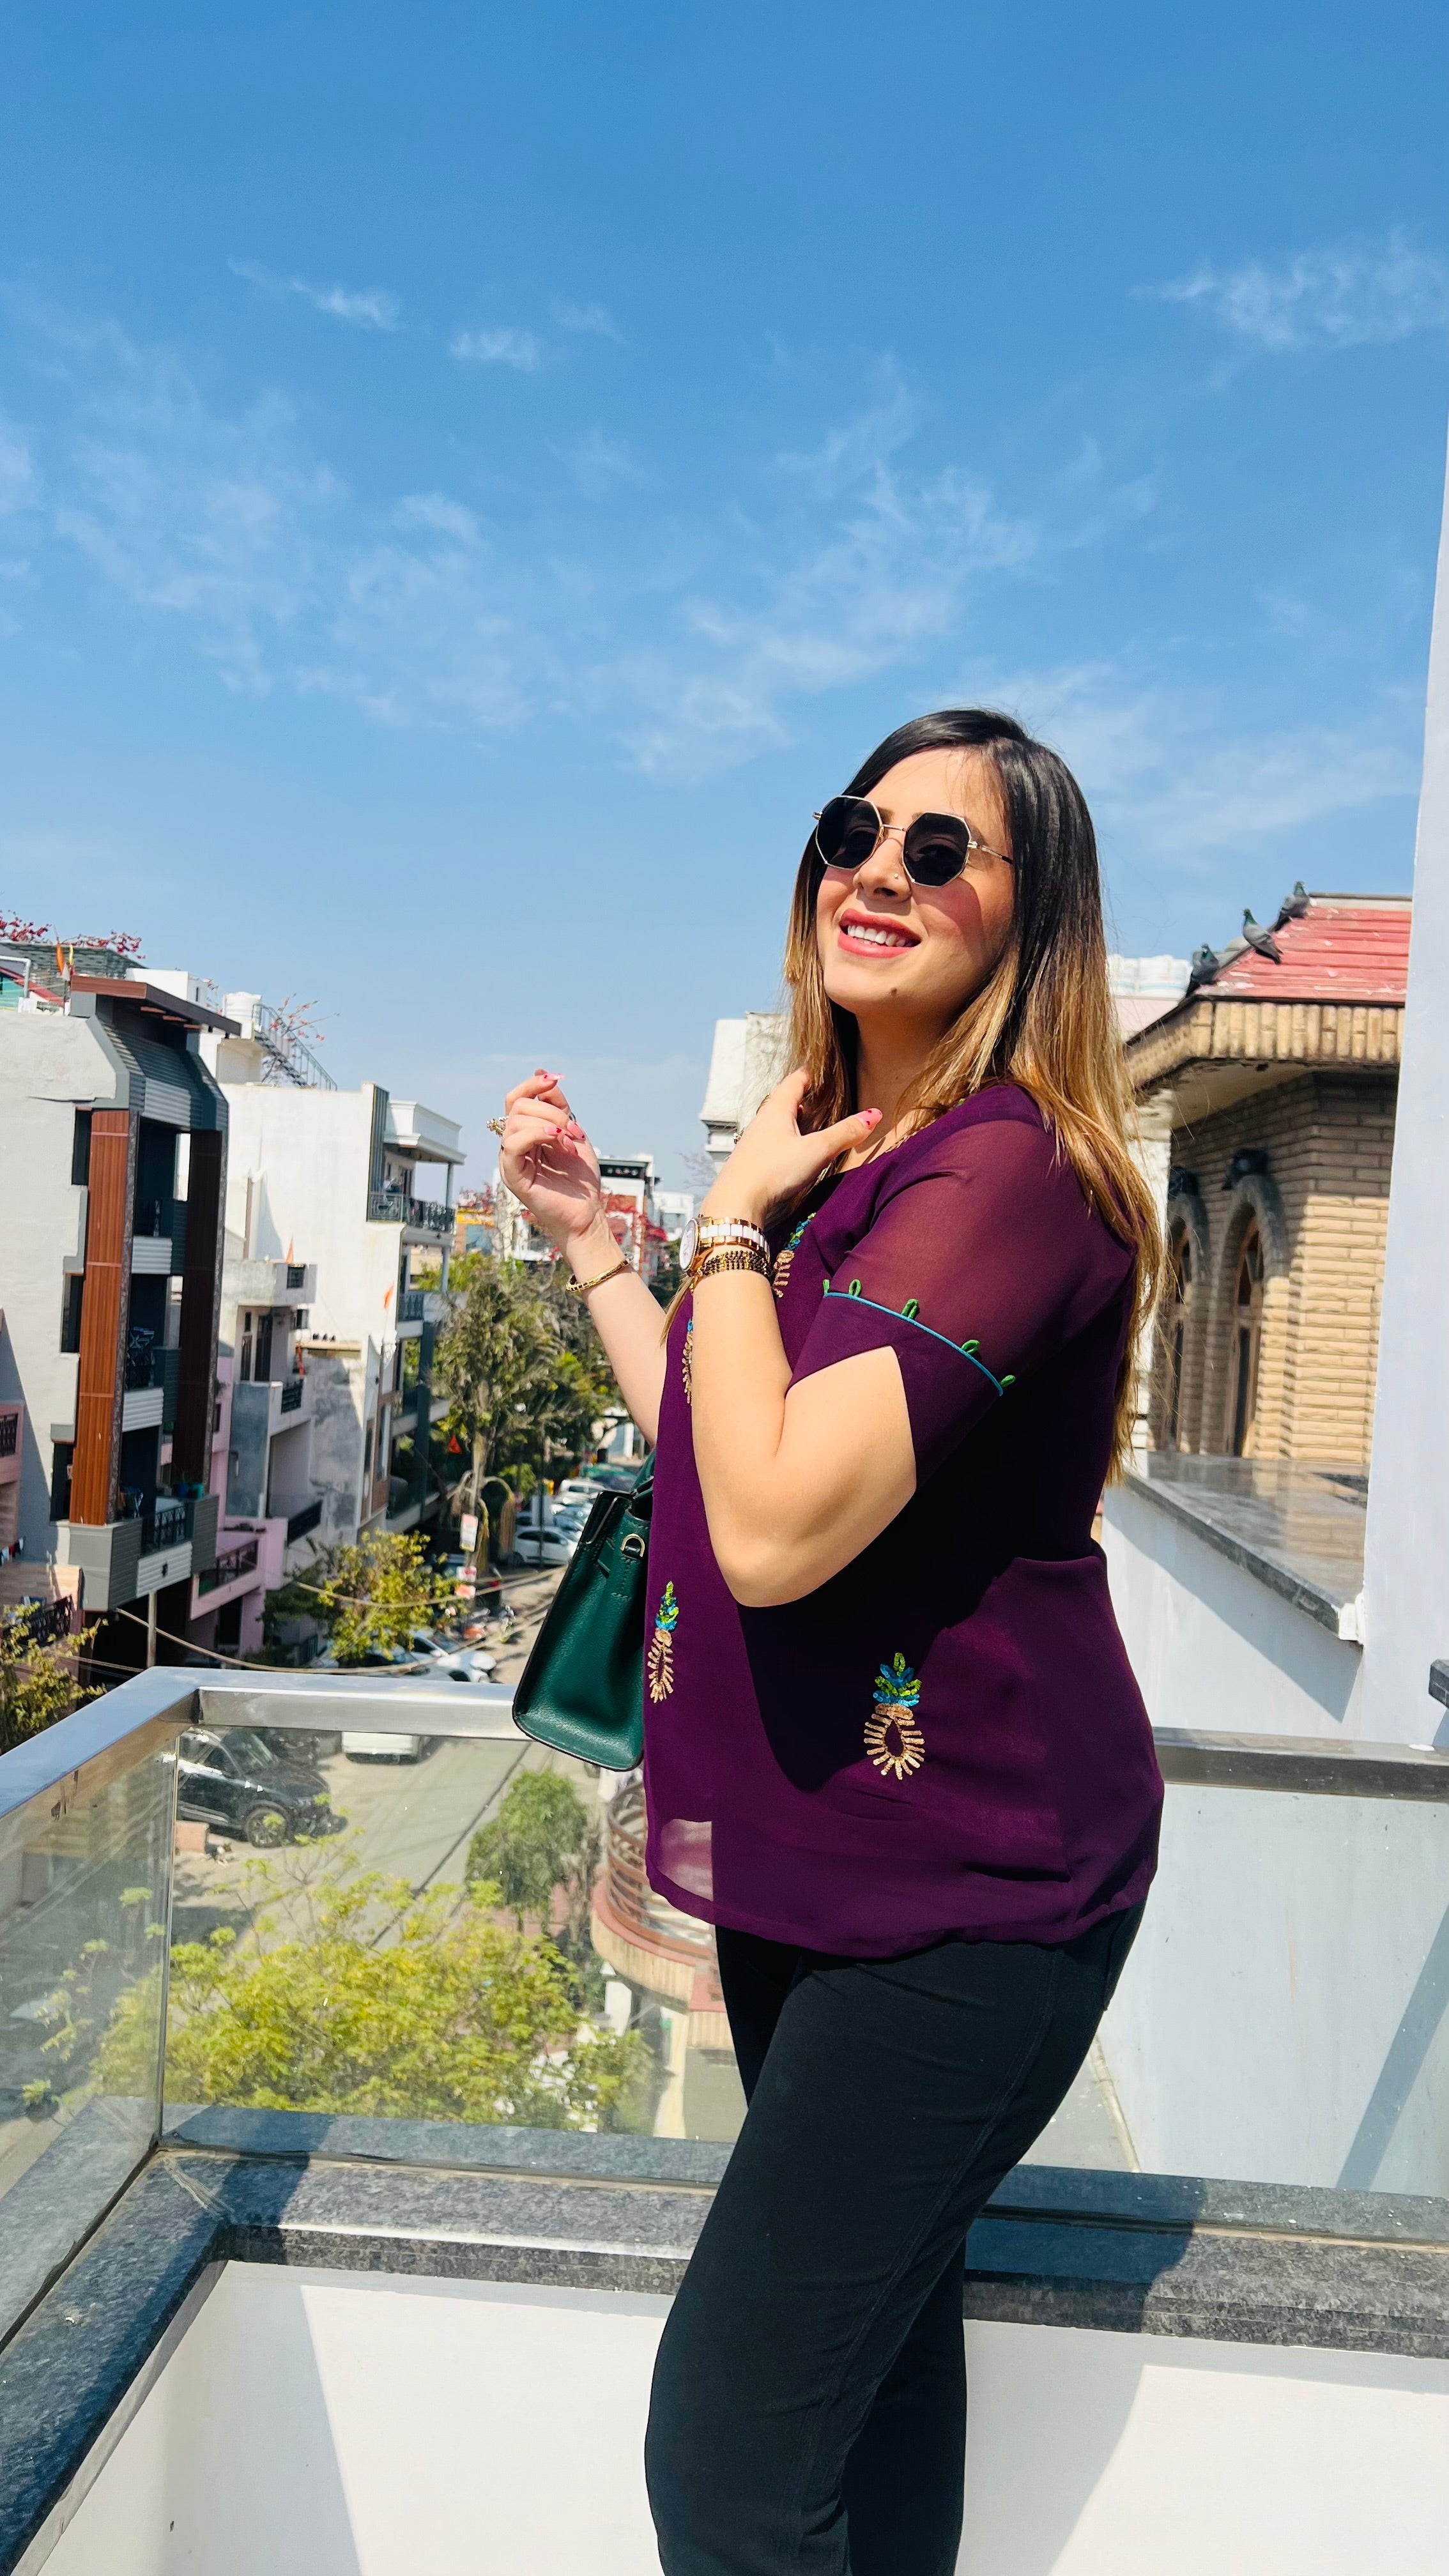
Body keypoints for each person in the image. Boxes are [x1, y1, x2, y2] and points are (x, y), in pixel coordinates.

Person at [496, 708, 1163, 2576]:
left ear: (1033, 917)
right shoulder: (869, 1162)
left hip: (965, 1900)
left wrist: (725, 1218)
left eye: (940, 850)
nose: (876, 870)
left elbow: (776, 1532)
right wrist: (599, 1245)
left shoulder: (1010, 1176)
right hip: (827, 1866)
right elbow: (725, 1453)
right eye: (851, 830)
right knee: (866, 2400)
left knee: (727, 2460)